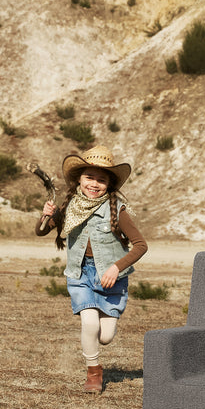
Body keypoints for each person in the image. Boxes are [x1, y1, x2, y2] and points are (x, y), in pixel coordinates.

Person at [36, 147, 148, 393]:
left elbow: (141, 245)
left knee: (105, 336)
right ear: (79, 179)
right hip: (80, 274)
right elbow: (42, 231)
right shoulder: (69, 207)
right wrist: (44, 216)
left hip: (111, 279)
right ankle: (93, 373)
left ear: (109, 184)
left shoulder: (117, 210)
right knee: (89, 323)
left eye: (101, 179)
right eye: (89, 177)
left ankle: (96, 349)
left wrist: (116, 268)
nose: (94, 184)